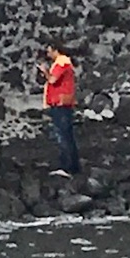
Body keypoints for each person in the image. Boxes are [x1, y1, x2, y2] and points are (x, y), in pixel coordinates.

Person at [43, 46, 82, 174]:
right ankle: (74, 167)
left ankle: (67, 167)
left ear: (56, 50)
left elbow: (53, 80)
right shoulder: (65, 62)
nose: (48, 54)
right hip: (64, 102)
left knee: (63, 135)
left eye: (49, 51)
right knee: (68, 135)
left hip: (60, 103)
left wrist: (45, 72)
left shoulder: (61, 62)